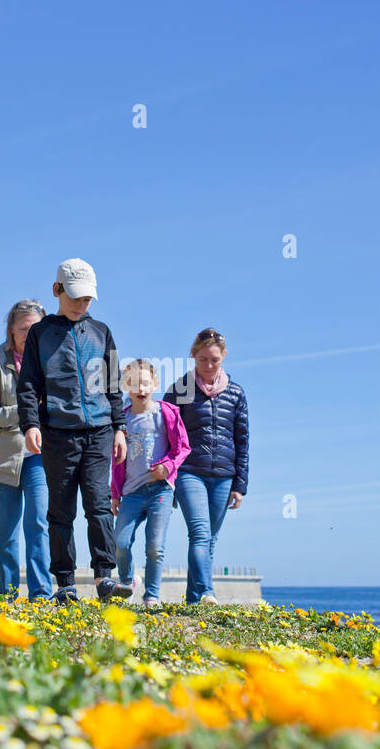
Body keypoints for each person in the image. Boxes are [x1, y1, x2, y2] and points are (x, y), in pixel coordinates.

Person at [16, 259, 131, 604]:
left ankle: (104, 578)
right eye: (76, 298)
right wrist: (30, 425)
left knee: (98, 505)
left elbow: (112, 386)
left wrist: (120, 429)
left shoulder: (101, 332)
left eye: (88, 300)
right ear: (57, 290)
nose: (82, 305)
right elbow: (28, 384)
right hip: (57, 433)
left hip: (99, 432)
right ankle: (64, 583)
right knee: (60, 510)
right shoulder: (40, 333)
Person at [0, 299, 54, 600]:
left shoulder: (54, 361)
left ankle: (41, 596)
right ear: (11, 330)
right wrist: (22, 412)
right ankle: (6, 597)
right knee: (3, 535)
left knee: (38, 524)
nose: (29, 334)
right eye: (23, 329)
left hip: (39, 457)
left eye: (35, 328)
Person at [163, 328, 249, 604]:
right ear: (193, 356)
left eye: (215, 360)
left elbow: (242, 441)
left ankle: (193, 599)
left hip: (224, 476)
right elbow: (165, 435)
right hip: (189, 473)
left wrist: (240, 486)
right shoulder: (179, 391)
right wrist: (169, 477)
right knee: (199, 532)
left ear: (223, 357)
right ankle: (208, 593)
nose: (209, 366)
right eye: (203, 360)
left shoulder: (236, 393)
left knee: (210, 539)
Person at [111, 359, 190, 608]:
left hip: (160, 490)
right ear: (126, 386)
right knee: (120, 543)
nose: (140, 389)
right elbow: (116, 461)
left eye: (145, 383)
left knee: (155, 547)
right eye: (133, 384)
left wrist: (167, 467)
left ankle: (151, 595)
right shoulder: (121, 421)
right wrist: (115, 494)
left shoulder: (166, 412)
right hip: (131, 493)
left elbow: (182, 448)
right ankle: (127, 582)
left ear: (155, 384)